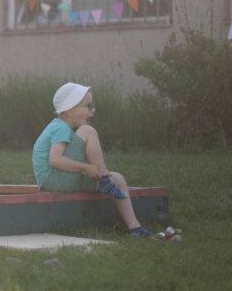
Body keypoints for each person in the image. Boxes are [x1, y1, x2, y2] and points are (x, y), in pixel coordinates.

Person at [32, 81, 154, 238]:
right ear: (69, 110)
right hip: (54, 178)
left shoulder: (64, 128)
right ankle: (103, 180)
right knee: (88, 131)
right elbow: (55, 160)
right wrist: (86, 167)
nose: (93, 110)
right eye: (88, 106)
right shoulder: (60, 127)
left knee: (117, 179)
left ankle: (135, 228)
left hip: (63, 179)